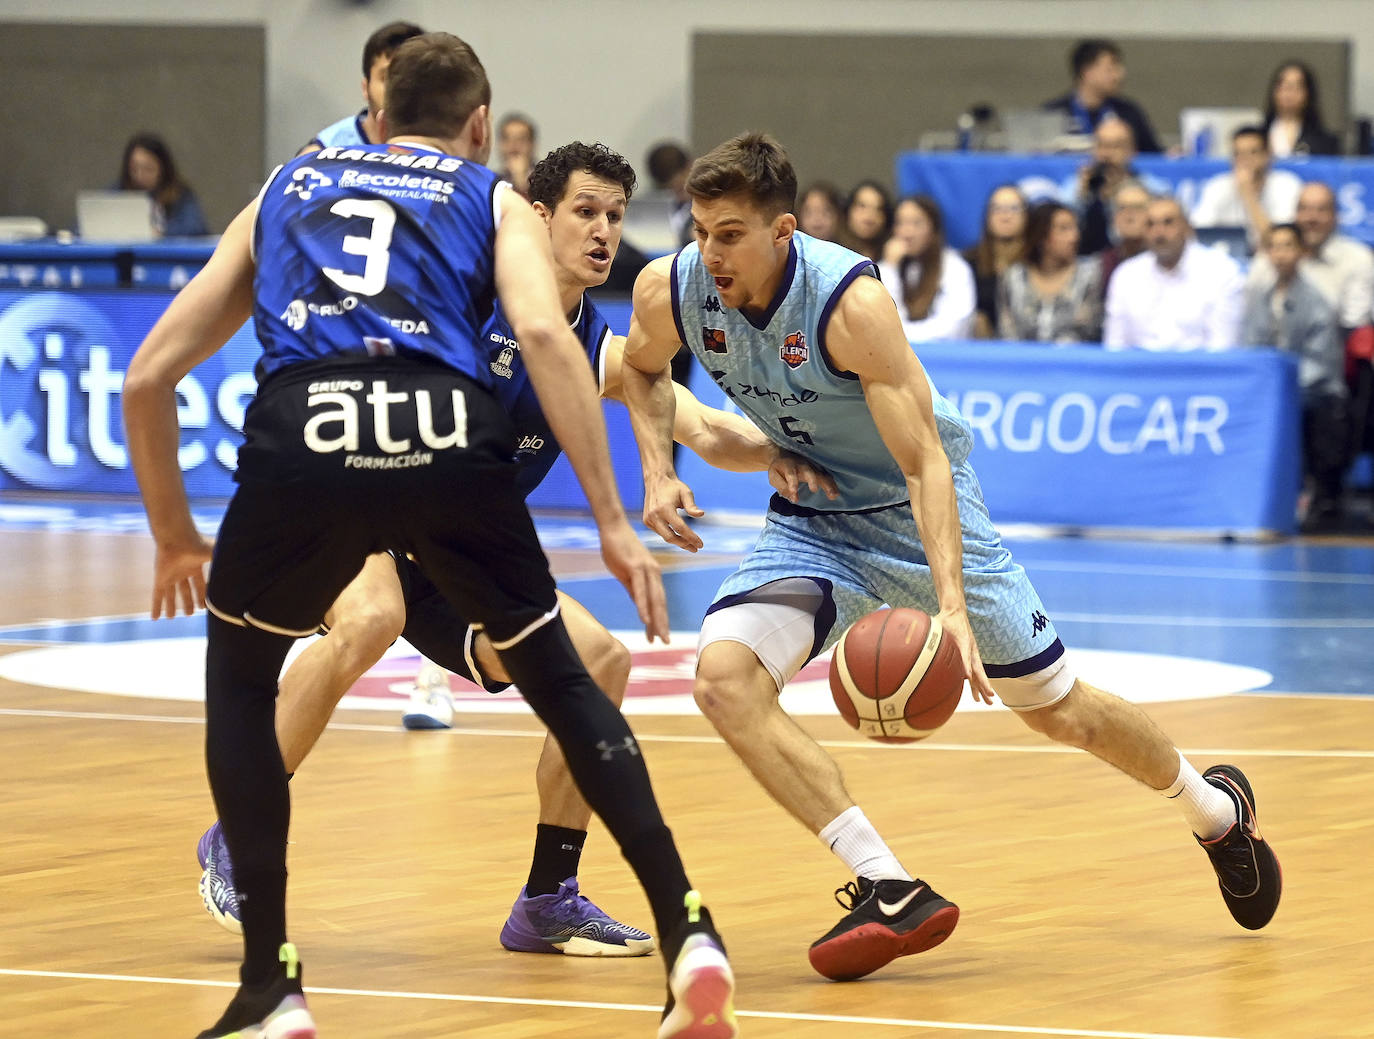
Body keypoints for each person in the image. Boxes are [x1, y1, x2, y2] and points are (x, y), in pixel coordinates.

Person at [122, 34, 735, 1039]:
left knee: (239, 674)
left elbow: (150, 376)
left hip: (308, 432)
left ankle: (270, 980)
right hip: (445, 441)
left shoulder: (290, 181)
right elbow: (545, 341)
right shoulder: (484, 195)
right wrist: (617, 521)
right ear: (483, 126)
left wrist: (174, 537)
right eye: (586, 210)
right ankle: (690, 928)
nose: (599, 228)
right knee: (551, 675)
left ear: (374, 106)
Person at [617, 131, 1279, 984]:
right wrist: (659, 471)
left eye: (731, 233)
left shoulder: (848, 303)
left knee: (1058, 709)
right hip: (814, 519)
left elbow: (925, 456)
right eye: (701, 230)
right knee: (722, 679)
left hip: (916, 509)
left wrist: (953, 606)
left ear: (784, 231)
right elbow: (640, 372)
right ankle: (888, 883)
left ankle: (1217, 812)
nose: (711, 252)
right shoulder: (671, 289)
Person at [193, 139, 829, 960]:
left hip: (455, 553)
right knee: (373, 614)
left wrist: (784, 451)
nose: (603, 231)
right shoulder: (464, 294)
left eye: (613, 216)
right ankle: (238, 834)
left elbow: (702, 425)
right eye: (584, 213)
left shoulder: (586, 340)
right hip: (362, 502)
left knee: (602, 662)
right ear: (536, 217)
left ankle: (547, 897)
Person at [1241, 224, 1352, 531]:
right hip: (1271, 391)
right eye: (1274, 246)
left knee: (1315, 411)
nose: (1280, 254)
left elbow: (1322, 361)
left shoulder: (1317, 300)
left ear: (1301, 252)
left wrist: (1282, 383)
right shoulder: (1260, 297)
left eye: (1288, 246)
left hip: (1312, 391)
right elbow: (1251, 346)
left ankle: (1313, 495)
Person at [1104, 196, 1245, 350]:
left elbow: (1223, 348)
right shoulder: (1126, 275)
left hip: (1200, 371)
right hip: (1140, 371)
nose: (1159, 232)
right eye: (1150, 224)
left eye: (1168, 222)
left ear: (1187, 227)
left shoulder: (1221, 271)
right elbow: (1115, 347)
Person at [297, 20, 425, 153]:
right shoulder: (322, 153)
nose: (397, 89)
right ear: (366, 88)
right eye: (386, 78)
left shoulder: (444, 149)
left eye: (409, 77)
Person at [997, 201, 1103, 344]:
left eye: (1075, 228)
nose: (1074, 237)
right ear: (1041, 236)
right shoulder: (1014, 278)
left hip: (1074, 362)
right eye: (1064, 229)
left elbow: (1089, 330)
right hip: (1021, 361)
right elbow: (1007, 333)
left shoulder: (1090, 276)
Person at [877, 195, 975, 342]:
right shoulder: (887, 268)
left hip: (943, 358)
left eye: (916, 224)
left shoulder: (955, 268)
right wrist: (890, 269)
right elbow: (880, 323)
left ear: (933, 229)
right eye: (900, 223)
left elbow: (952, 330)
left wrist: (900, 335)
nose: (906, 233)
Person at [1191, 126, 1302, 251]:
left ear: (1267, 155)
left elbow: (1278, 244)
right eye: (1238, 154)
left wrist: (1248, 195)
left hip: (1272, 262)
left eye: (1253, 152)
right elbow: (1199, 233)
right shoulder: (1217, 186)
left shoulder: (1287, 185)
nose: (1245, 160)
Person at [1043, 39, 1162, 153]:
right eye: (1110, 69)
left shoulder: (1129, 112)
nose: (1119, 76)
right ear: (1087, 72)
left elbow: (1153, 156)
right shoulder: (1052, 113)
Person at [963, 184, 1027, 338]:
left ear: (1027, 215)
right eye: (997, 208)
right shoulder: (968, 263)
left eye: (1013, 208)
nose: (1005, 215)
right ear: (987, 216)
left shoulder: (1038, 262)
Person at [116, 132, 209, 237]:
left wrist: (161, 233)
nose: (140, 175)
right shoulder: (118, 192)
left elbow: (195, 228)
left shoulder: (180, 194)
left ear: (162, 168)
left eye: (148, 169)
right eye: (134, 169)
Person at [1074, 116, 1137, 255]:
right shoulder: (1079, 184)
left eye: (1116, 146)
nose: (1107, 154)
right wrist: (1082, 197)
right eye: (1102, 146)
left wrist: (1116, 197)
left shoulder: (1149, 189)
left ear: (1132, 151)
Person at [1263, 60, 1341, 158]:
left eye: (1296, 87)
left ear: (1308, 93)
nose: (1288, 93)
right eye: (1283, 86)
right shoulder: (1258, 136)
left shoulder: (1325, 141)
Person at [1098, 179, 1150, 291]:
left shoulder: (1166, 263)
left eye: (1138, 208)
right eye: (1122, 208)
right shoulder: (1101, 266)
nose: (1129, 216)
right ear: (1113, 217)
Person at [838, 179, 892, 262]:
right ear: (848, 211)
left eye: (878, 209)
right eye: (862, 206)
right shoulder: (833, 254)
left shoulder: (892, 256)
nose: (869, 216)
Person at [497, 112, 539, 198]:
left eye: (521, 139)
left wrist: (522, 183)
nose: (514, 146)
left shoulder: (547, 179)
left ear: (532, 144)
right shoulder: (492, 182)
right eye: (507, 139)